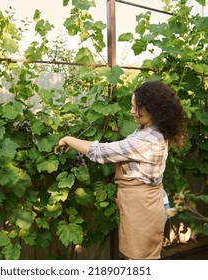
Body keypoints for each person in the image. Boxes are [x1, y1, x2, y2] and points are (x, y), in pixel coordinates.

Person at [54, 80, 187, 260]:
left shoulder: (148, 139)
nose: (132, 111)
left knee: (142, 261)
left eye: (136, 107)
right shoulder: (148, 130)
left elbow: (101, 152)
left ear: (151, 109)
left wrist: (69, 139)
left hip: (143, 207)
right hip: (141, 204)